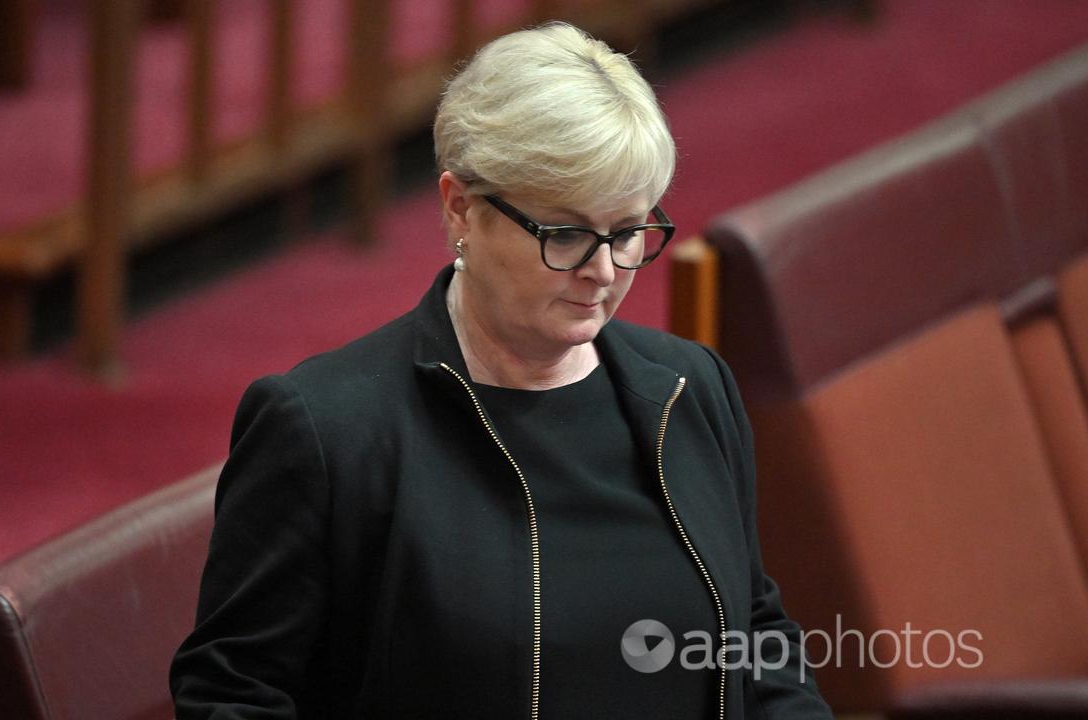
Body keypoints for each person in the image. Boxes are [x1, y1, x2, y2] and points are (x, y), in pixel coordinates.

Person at [170, 21, 832, 720]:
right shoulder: (327, 431)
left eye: (630, 231)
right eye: (567, 234)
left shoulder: (689, 388)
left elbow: (755, 638)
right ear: (461, 207)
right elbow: (232, 697)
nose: (604, 271)